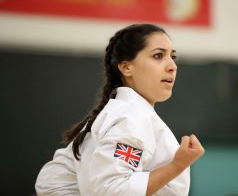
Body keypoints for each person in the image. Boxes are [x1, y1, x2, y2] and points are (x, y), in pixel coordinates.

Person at [35, 23, 205, 196]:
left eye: (172, 56)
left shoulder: (119, 113)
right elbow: (113, 190)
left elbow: (50, 180)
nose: (172, 66)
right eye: (158, 55)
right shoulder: (131, 116)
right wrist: (177, 165)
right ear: (126, 67)